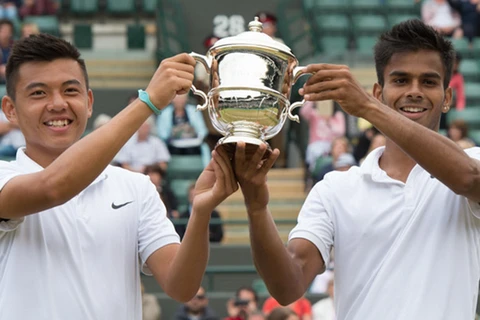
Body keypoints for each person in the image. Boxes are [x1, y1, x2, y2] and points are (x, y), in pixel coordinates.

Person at [222, 19, 480, 319]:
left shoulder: (472, 162)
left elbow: (468, 178)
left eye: (429, 81)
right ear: (377, 91)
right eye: (400, 80)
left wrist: (369, 109)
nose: (414, 91)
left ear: (447, 98)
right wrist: (256, 205)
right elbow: (287, 286)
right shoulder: (335, 188)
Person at [0, 33, 238, 319]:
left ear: (89, 102)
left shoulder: (136, 186)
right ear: (10, 110)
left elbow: (182, 287)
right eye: (38, 93)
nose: (58, 104)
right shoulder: (5, 177)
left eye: (70, 91)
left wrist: (200, 212)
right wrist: (147, 103)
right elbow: (53, 187)